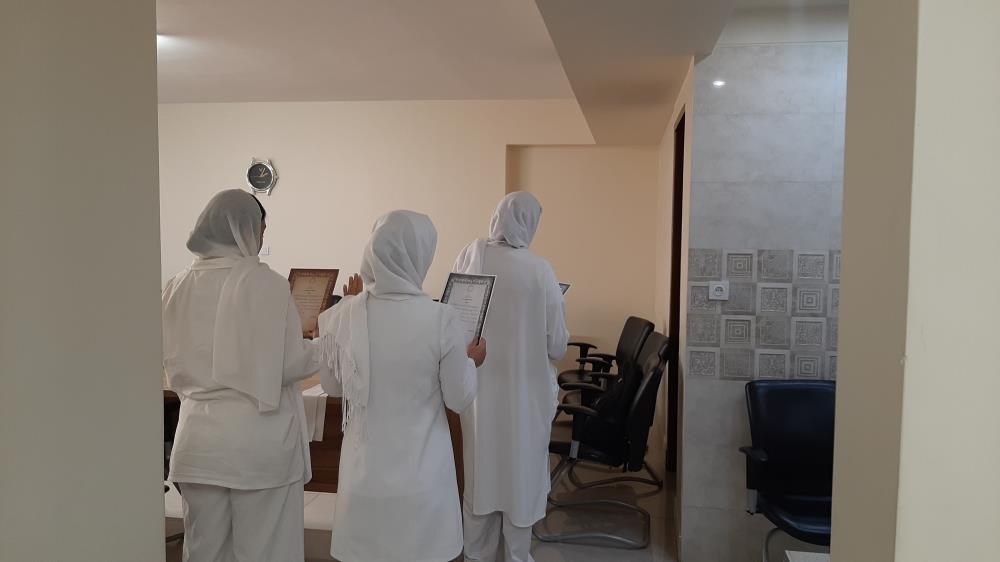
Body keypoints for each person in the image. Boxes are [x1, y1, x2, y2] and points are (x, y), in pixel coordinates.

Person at [318, 210, 487, 562]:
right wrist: (472, 361)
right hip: (423, 482)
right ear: (420, 256)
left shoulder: (342, 315)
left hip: (363, 478)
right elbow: (458, 398)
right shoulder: (441, 318)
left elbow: (332, 387)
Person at [162, 189, 320, 562]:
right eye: (261, 228)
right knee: (265, 551)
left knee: (205, 551)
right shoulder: (265, 283)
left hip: (197, 442)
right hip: (257, 444)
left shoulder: (176, 285)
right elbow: (289, 363)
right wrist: (322, 345)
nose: (262, 237)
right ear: (245, 228)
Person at [454, 191, 569, 562]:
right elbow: (557, 346)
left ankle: (477, 554)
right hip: (524, 399)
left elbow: (453, 322)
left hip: (479, 395)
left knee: (481, 477)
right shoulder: (540, 270)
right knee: (520, 478)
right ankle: (518, 556)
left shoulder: (470, 257)